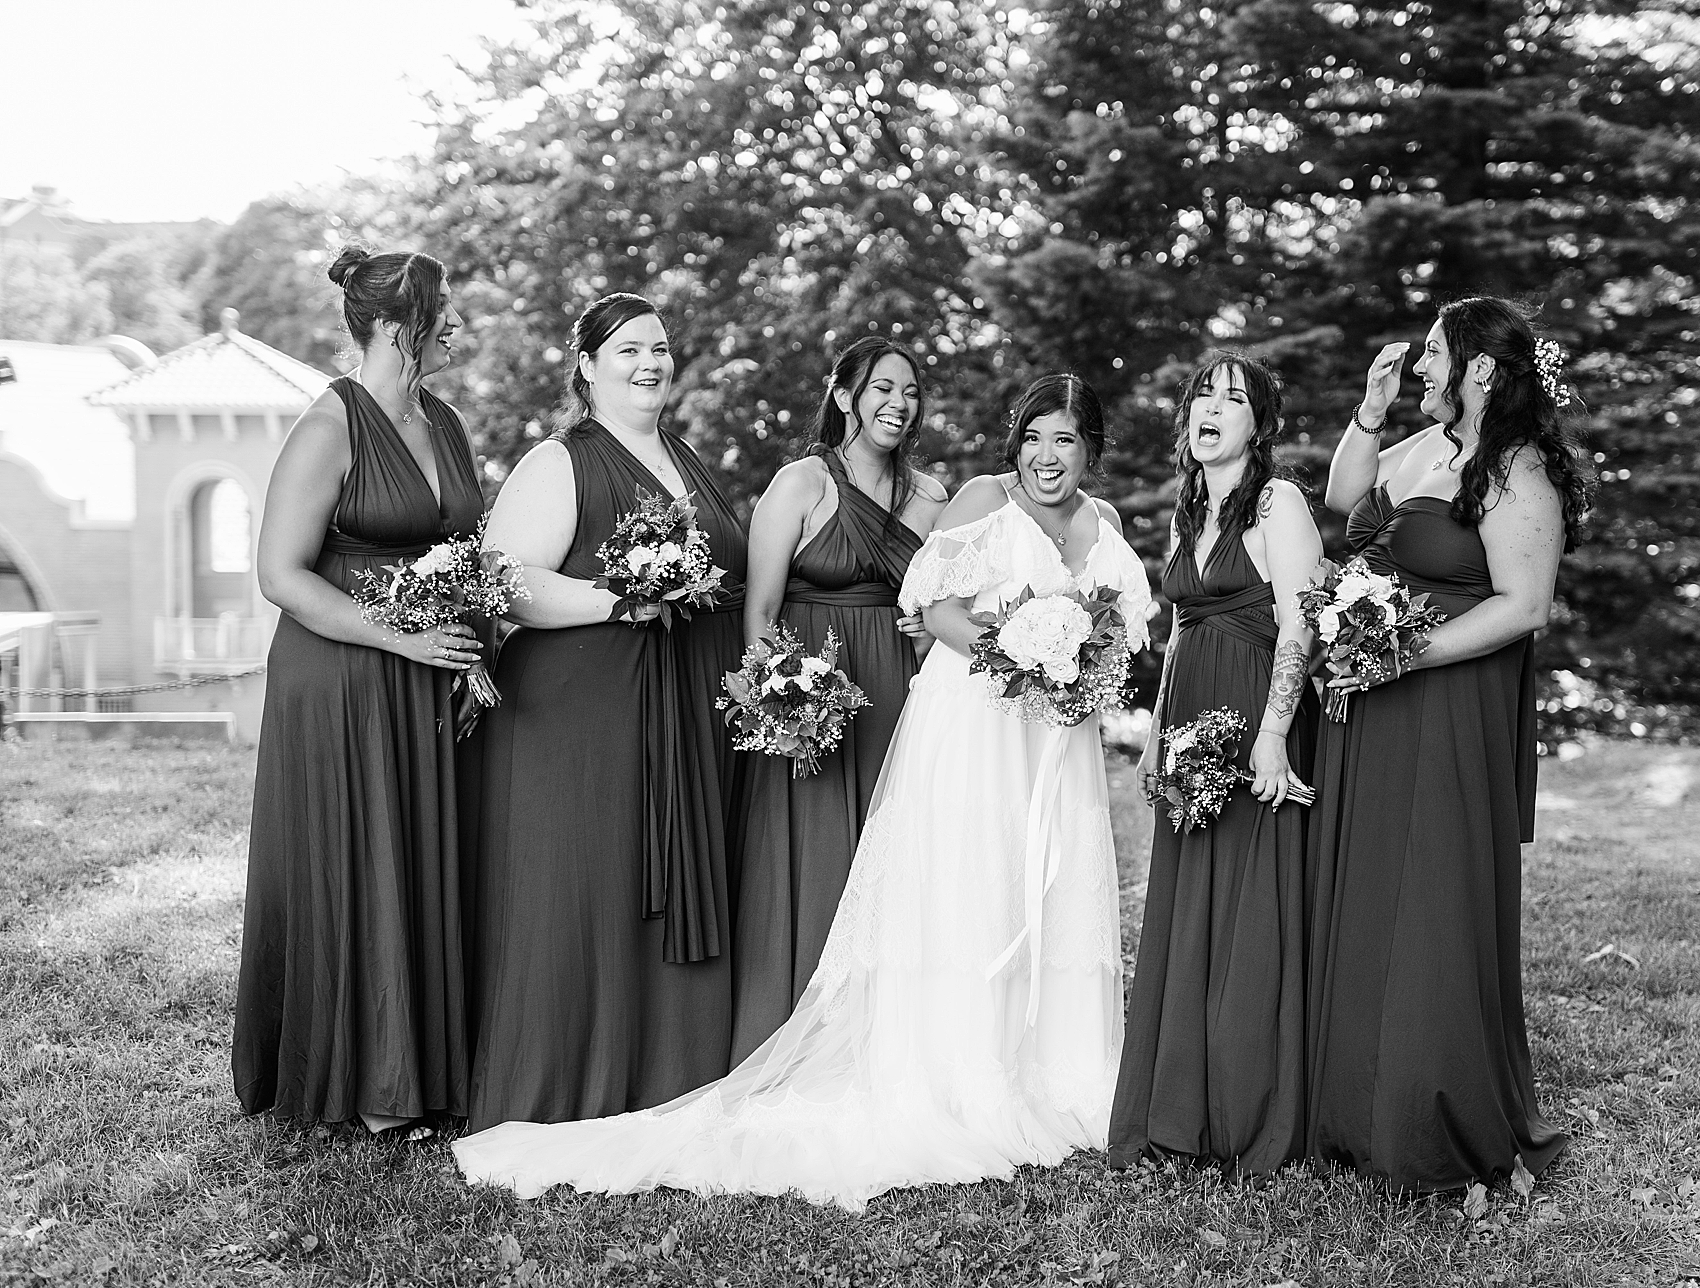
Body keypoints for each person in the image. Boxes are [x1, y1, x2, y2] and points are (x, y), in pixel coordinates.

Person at [453, 373, 1151, 1210]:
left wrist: (1080, 666)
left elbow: (961, 604)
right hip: (973, 718)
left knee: (1050, 891)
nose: (1048, 454)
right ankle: (960, 1063)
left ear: (1091, 450)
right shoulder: (908, 491)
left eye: (1067, 439)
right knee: (952, 884)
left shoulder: (1055, 515)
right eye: (1036, 436)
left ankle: (1064, 1064)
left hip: (1052, 739)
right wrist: (1021, 653)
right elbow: (916, 603)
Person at [1307, 296, 1595, 1190]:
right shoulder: (1425, 448)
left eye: (1434, 353)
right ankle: (1351, 1105)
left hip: (1445, 701)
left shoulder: (1518, 468)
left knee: (1428, 894)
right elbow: (1344, 496)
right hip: (1372, 699)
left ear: (1478, 368)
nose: (1422, 365)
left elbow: (1524, 604)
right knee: (1364, 887)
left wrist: (1401, 655)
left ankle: (1428, 1112)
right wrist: (1371, 405)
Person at [464, 292, 748, 1132]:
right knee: (588, 893)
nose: (649, 363)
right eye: (627, 349)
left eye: (659, 348)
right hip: (581, 720)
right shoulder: (560, 461)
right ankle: (570, 1085)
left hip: (687, 716)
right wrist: (622, 599)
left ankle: (671, 1073)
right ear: (587, 365)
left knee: (659, 886)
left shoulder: (686, 460)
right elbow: (506, 580)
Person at [233, 245, 484, 1131]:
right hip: (340, 672)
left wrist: (466, 653)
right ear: (390, 327)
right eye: (440, 313)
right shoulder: (330, 425)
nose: (455, 324)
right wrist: (399, 638)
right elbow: (280, 574)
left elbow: (467, 553)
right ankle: (371, 1083)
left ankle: (429, 1061)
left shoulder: (445, 422)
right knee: (361, 854)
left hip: (427, 669)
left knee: (416, 854)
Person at [1110, 353, 1320, 1174]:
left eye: (1234, 399)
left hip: (1255, 721)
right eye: (1203, 391)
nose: (1212, 406)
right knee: (1191, 906)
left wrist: (1271, 735)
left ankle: (1244, 1112)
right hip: (1192, 722)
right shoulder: (1186, 509)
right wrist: (1159, 730)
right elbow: (1181, 630)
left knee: (1249, 909)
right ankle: (1181, 1106)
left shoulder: (1280, 502)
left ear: (1258, 426)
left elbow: (1301, 627)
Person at [729, 337, 948, 1064]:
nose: (899, 403)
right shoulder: (802, 482)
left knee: (888, 860)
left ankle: (882, 1047)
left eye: (911, 391)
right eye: (884, 387)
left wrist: (924, 630)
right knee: (813, 861)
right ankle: (788, 1034)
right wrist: (788, 705)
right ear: (846, 394)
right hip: (811, 696)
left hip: (893, 695)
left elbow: (937, 612)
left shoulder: (931, 497)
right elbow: (758, 615)